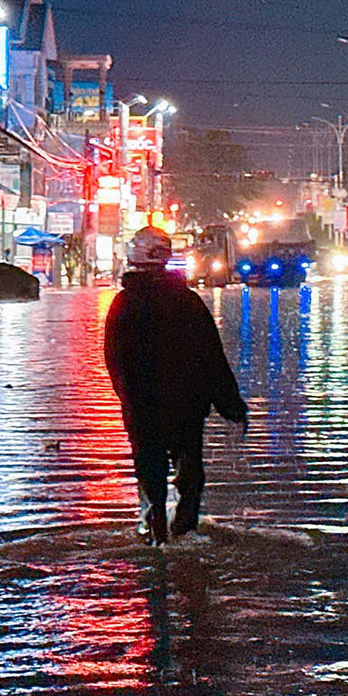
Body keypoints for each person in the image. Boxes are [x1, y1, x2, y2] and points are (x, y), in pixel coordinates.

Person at [103, 227, 249, 544]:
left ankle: (154, 534)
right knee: (190, 476)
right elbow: (212, 357)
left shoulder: (123, 304)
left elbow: (115, 361)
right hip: (186, 409)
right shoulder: (187, 302)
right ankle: (184, 533)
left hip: (144, 410)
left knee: (150, 473)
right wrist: (231, 405)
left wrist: (131, 400)